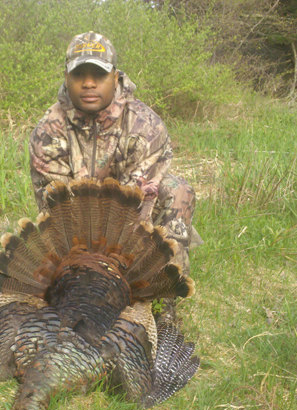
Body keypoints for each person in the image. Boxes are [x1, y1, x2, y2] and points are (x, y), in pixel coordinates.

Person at [29, 31, 201, 323]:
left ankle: (162, 300)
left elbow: (139, 209)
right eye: (78, 74)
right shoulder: (49, 130)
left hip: (130, 229)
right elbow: (56, 211)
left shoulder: (146, 125)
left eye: (98, 74)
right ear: (66, 77)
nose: (88, 83)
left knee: (178, 191)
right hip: (76, 232)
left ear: (115, 77)